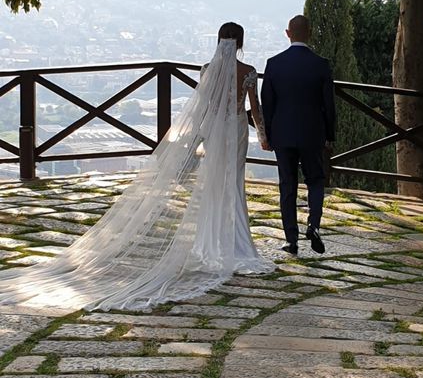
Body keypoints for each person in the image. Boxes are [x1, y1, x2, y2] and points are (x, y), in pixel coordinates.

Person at [0, 23, 272, 312]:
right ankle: (235, 243)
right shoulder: (248, 72)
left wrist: (196, 138)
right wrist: (264, 137)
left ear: (219, 41)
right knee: (233, 183)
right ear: (240, 41)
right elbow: (254, 107)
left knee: (212, 185)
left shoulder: (207, 69)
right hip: (236, 129)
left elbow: (202, 107)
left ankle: (210, 241)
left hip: (215, 132)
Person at [261, 14, 335, 255]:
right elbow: (328, 104)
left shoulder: (274, 64)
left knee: (287, 185)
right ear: (310, 33)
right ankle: (313, 225)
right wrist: (330, 134)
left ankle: (291, 239)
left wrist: (268, 134)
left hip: (283, 133)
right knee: (315, 180)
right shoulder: (321, 64)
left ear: (288, 33)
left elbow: (267, 103)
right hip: (312, 133)